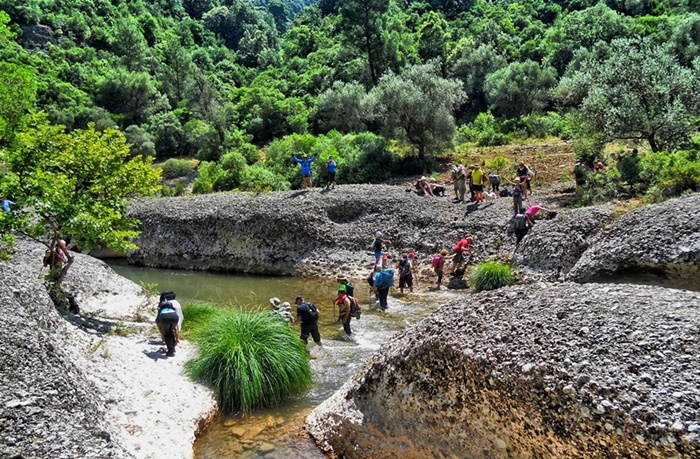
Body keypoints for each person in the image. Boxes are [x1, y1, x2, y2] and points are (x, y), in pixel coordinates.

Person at [156, 291, 183, 357]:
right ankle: (173, 348)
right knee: (171, 331)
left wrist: (161, 331)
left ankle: (170, 352)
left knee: (167, 334)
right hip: (174, 316)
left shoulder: (161, 308)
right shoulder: (171, 307)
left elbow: (157, 320)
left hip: (165, 317)